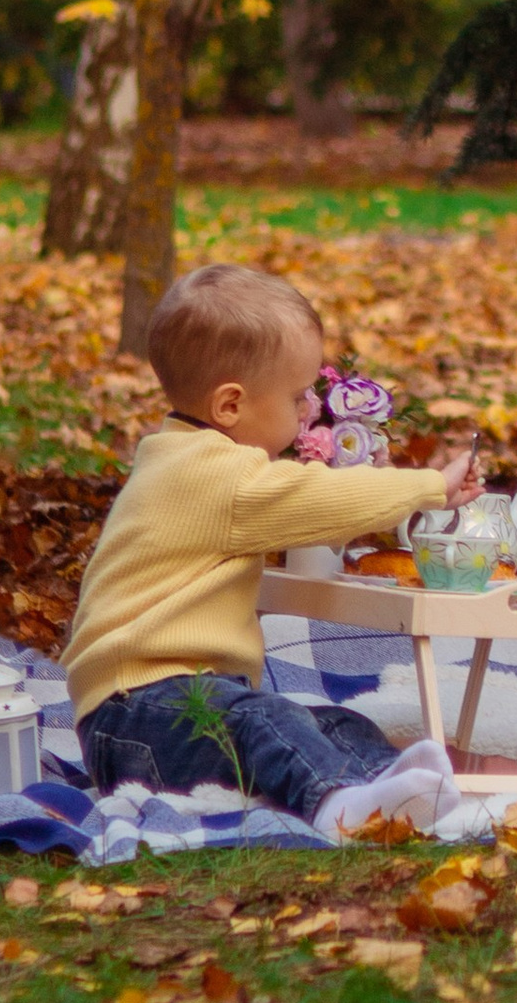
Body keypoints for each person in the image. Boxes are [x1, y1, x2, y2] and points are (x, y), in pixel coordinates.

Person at [62, 260, 477, 836]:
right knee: (265, 721)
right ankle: (337, 807)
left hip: (168, 707)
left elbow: (303, 513)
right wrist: (431, 487)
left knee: (329, 723)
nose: (309, 410)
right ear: (230, 406)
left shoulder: (186, 457)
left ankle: (389, 784)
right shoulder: (217, 475)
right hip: (138, 712)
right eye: (297, 396)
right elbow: (316, 498)